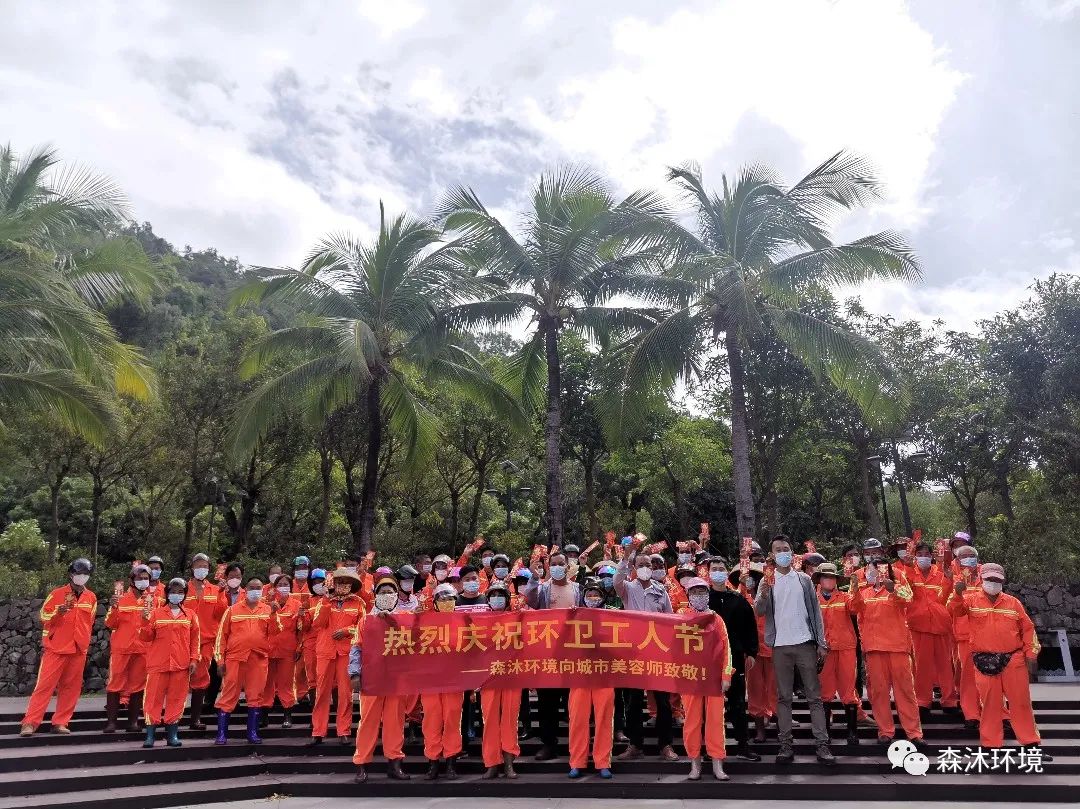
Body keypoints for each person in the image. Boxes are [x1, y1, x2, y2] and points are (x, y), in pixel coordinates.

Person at [753, 536, 834, 766]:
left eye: (786, 549)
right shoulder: (767, 580)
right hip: (780, 645)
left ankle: (822, 744)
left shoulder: (804, 580)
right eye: (778, 550)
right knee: (783, 697)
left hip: (805, 643)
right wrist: (764, 592)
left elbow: (815, 612)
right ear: (772, 555)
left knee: (814, 696)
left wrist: (821, 643)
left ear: (792, 552)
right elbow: (759, 610)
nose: (782, 553)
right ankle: (785, 744)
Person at [950, 563, 1046, 754]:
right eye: (990, 579)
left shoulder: (1013, 603)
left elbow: (1028, 629)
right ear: (982, 579)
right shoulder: (970, 600)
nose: (993, 583)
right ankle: (990, 744)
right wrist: (957, 594)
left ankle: (1031, 743)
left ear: (1002, 581)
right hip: (984, 661)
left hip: (1013, 659)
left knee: (1021, 703)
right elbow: (955, 611)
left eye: (997, 580)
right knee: (990, 704)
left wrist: (1031, 654)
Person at [614, 541, 678, 762]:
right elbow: (617, 579)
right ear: (634, 567)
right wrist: (626, 557)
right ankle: (635, 745)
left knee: (663, 701)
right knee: (633, 701)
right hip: (633, 654)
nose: (644, 567)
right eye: (640, 564)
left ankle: (666, 745)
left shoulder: (661, 590)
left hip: (657, 652)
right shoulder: (627, 588)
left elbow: (670, 620)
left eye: (648, 564)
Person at [20, 558, 97, 736]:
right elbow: (43, 616)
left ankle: (61, 722)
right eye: (79, 573)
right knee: (44, 686)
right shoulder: (57, 593)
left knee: (71, 688)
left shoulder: (91, 597)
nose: (82, 576)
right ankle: (30, 723)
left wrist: (84, 641)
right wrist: (57, 613)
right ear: (71, 574)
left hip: (78, 649)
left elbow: (90, 621)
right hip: (56, 647)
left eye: (85, 574)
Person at [853, 555, 923, 745]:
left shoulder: (897, 588)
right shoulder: (864, 594)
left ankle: (914, 733)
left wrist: (893, 588)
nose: (874, 572)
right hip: (874, 649)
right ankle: (885, 731)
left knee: (905, 691)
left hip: (897, 648)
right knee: (878, 692)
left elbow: (908, 599)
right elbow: (857, 616)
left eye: (879, 568)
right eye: (871, 569)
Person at [523, 551, 581, 761]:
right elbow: (530, 599)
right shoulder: (543, 588)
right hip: (548, 653)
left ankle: (577, 746)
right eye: (553, 564)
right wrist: (533, 577)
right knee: (547, 701)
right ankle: (548, 744)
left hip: (573, 653)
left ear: (568, 566)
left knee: (575, 702)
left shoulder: (578, 589)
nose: (557, 567)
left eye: (560, 563)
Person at [352, 576, 410, 783]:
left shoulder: (406, 617)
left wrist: (393, 621)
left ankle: (395, 763)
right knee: (368, 721)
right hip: (372, 678)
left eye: (390, 592)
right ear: (375, 596)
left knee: (395, 721)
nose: (387, 595)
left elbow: (416, 641)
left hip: (396, 679)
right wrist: (355, 673)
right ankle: (361, 764)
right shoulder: (366, 620)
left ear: (397, 595)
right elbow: (356, 648)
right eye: (382, 592)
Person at [214, 577, 282, 745]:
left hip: (258, 658)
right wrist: (220, 660)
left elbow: (276, 631)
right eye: (252, 587)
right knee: (229, 694)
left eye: (258, 588)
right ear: (245, 589)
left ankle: (252, 732)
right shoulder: (232, 610)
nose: (255, 591)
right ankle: (221, 734)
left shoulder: (268, 609)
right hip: (235, 658)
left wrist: (274, 614)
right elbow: (221, 637)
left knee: (256, 695)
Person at [706, 558, 761, 761]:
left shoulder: (738, 599)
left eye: (721, 569)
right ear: (708, 573)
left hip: (734, 658)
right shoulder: (703, 598)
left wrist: (752, 652)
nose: (718, 572)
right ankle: (711, 749)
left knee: (738, 702)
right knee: (711, 705)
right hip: (708, 658)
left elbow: (750, 627)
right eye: (714, 569)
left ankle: (743, 745)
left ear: (726, 572)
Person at [682, 577, 733, 781]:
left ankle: (717, 762)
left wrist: (726, 675)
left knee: (715, 721)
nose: (698, 596)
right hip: (690, 677)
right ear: (688, 595)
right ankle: (694, 763)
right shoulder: (680, 617)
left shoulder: (716, 619)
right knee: (692, 722)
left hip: (713, 678)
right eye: (694, 592)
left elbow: (726, 649)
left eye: (702, 592)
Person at [140, 578, 200, 748]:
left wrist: (194, 659)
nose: (176, 595)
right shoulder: (156, 613)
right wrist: (144, 621)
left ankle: (172, 735)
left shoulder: (190, 615)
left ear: (185, 595)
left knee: (177, 699)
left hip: (181, 665)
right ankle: (150, 735)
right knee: (152, 699)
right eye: (173, 591)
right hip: (158, 664)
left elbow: (195, 640)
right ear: (167, 594)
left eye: (180, 592)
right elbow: (145, 637)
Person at [309, 568, 365, 746]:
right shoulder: (324, 601)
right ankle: (318, 731)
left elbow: (364, 628)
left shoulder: (358, 603)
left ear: (352, 585)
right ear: (333, 584)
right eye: (340, 582)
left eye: (347, 582)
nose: (343, 585)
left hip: (346, 652)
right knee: (322, 692)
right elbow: (317, 623)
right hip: (325, 651)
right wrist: (326, 599)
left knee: (345, 693)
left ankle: (344, 730)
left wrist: (347, 631)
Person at [567, 579, 615, 779]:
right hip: (580, 675)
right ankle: (577, 762)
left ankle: (602, 762)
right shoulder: (574, 616)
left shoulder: (613, 616)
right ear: (583, 597)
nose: (593, 598)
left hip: (604, 675)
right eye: (589, 595)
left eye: (596, 594)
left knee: (604, 719)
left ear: (603, 597)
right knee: (578, 719)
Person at [813, 563, 862, 745]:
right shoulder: (813, 599)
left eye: (832, 577)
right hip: (823, 651)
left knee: (848, 690)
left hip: (845, 648)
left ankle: (852, 733)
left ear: (836, 580)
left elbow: (856, 608)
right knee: (825, 691)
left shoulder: (845, 597)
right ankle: (826, 734)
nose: (829, 580)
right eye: (825, 577)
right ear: (819, 579)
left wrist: (856, 590)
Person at [421, 584, 467, 779]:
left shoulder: (464, 622)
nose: (447, 603)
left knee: (452, 719)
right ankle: (433, 762)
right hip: (430, 681)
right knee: (431, 720)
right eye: (442, 599)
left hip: (454, 681)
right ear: (435, 603)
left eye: (450, 599)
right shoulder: (424, 622)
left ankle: (450, 762)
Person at [907, 541, 958, 718]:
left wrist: (949, 580)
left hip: (941, 623)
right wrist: (908, 567)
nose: (924, 557)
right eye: (920, 554)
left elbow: (945, 598)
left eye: (927, 554)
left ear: (932, 556)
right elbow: (905, 593)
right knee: (922, 665)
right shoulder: (909, 573)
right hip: (919, 625)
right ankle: (922, 701)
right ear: (915, 556)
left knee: (945, 664)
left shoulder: (941, 573)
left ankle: (949, 700)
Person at [103, 563, 154, 734]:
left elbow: (154, 625)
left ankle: (133, 723)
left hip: (142, 650)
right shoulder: (120, 599)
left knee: (138, 687)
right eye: (140, 578)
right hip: (121, 649)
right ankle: (111, 723)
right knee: (114, 685)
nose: (143, 581)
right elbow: (110, 623)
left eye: (146, 578)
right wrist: (114, 607)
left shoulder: (152, 600)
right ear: (132, 580)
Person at [481, 582, 521, 779]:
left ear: (507, 599)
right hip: (488, 677)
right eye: (493, 595)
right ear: (488, 599)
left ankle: (508, 762)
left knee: (510, 720)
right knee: (489, 720)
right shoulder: (480, 621)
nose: (497, 599)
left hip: (512, 676)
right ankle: (491, 763)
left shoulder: (519, 619)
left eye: (501, 595)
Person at [186, 553, 225, 730]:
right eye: (198, 565)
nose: (201, 569)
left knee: (201, 678)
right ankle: (171, 718)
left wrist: (222, 593)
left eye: (204, 566)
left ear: (209, 569)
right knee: (179, 677)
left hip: (207, 640)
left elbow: (220, 613)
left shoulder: (216, 589)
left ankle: (195, 719)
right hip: (184, 639)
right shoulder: (182, 589)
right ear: (192, 567)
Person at [260, 573, 303, 728]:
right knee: (266, 682)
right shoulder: (266, 603)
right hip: (268, 648)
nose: (283, 587)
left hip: (288, 649)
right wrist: (271, 610)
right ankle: (264, 716)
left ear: (291, 587)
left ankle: (287, 716)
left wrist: (299, 647)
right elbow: (262, 626)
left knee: (286, 683)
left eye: (286, 584)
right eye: (280, 584)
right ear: (274, 587)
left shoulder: (296, 604)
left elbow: (300, 629)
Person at [949, 544, 983, 728]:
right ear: (958, 560)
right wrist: (957, 591)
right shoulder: (954, 578)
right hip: (965, 634)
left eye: (971, 555)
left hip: (988, 634)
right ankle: (971, 714)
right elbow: (950, 606)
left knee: (991, 675)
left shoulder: (986, 575)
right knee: (969, 677)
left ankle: (997, 713)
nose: (968, 559)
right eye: (964, 556)